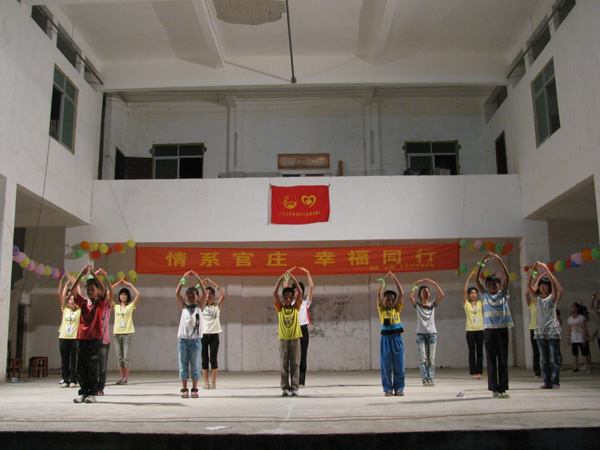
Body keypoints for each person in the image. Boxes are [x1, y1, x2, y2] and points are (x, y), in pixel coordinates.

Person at [71, 264, 111, 404]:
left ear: (97, 290)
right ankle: (83, 392)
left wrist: (94, 274)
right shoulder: (83, 303)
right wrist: (80, 275)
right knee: (81, 367)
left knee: (93, 367)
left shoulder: (100, 303)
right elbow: (72, 290)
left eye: (92, 289)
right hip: (82, 339)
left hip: (94, 339)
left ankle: (92, 393)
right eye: (88, 290)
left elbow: (104, 289)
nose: (89, 292)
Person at [475, 253, 513, 399]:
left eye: (495, 284)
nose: (493, 286)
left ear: (499, 285)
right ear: (487, 286)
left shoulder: (503, 294)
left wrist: (500, 261)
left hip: (502, 330)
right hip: (489, 331)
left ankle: (503, 388)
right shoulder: (484, 295)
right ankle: (494, 389)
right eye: (490, 284)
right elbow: (477, 279)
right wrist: (481, 263)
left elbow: (507, 277)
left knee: (503, 360)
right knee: (491, 361)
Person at [527, 262, 563, 389]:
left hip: (552, 331)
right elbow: (528, 286)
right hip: (540, 332)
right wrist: (533, 273)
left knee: (554, 358)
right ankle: (547, 381)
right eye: (541, 285)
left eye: (545, 285)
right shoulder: (537, 299)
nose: (543, 287)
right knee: (544, 359)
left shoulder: (552, 298)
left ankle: (555, 381)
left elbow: (559, 289)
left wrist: (546, 269)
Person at [175, 270, 206, 398]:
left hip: (196, 341)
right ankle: (184, 389)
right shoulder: (184, 306)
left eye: (193, 295)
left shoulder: (200, 307)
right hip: (183, 341)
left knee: (195, 365)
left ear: (197, 297)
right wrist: (183, 279)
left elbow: (205, 293)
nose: (190, 297)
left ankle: (194, 389)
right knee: (183, 366)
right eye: (188, 295)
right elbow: (177, 293)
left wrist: (198, 278)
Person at [273, 268, 303, 396]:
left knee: (295, 364)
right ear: (283, 298)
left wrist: (294, 279)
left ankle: (295, 388)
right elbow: (274, 293)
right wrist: (280, 280)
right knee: (284, 364)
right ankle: (285, 387)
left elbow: (300, 292)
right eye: (286, 298)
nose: (288, 300)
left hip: (295, 339)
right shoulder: (280, 308)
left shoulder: (296, 307)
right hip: (284, 339)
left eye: (290, 298)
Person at [409, 277, 444, 387]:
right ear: (420, 294)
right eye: (423, 291)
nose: (426, 293)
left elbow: (441, 294)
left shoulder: (433, 304)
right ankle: (425, 379)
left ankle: (431, 379)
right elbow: (410, 297)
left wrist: (434, 283)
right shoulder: (418, 306)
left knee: (431, 359)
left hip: (432, 334)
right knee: (423, 359)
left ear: (430, 294)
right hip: (420, 334)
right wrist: (415, 285)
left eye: (427, 291)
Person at [376, 271, 405, 396]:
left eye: (393, 300)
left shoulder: (397, 309)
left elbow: (402, 294)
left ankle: (399, 388)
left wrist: (395, 279)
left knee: (399, 364)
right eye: (388, 300)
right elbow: (378, 294)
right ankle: (387, 388)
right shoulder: (382, 310)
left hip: (397, 339)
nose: (391, 302)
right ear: (384, 300)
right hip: (386, 340)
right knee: (386, 364)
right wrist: (383, 282)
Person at [112, 279, 141, 386]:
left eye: (125, 295)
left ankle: (125, 378)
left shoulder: (130, 306)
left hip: (127, 333)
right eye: (121, 294)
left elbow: (138, 294)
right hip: (117, 333)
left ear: (128, 296)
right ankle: (122, 377)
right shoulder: (116, 306)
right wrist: (115, 285)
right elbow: (107, 295)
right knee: (120, 357)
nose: (123, 296)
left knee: (126, 357)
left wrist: (129, 284)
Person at [289, 267, 314, 386]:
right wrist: (287, 277)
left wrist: (308, 273)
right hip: (294, 330)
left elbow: (312, 287)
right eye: (295, 291)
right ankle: (294, 379)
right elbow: (284, 288)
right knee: (294, 356)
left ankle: (301, 381)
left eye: (299, 290)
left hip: (303, 330)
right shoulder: (290, 304)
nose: (297, 292)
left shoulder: (305, 303)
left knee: (303, 355)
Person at [200, 278, 225, 390]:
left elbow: (223, 295)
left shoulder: (216, 305)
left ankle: (213, 382)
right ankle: (206, 382)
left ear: (214, 296)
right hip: (204, 335)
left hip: (214, 335)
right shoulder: (201, 306)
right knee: (204, 359)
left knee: (213, 359)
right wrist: (200, 284)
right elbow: (192, 294)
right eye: (207, 294)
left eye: (211, 294)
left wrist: (214, 284)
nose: (209, 296)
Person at [57, 273, 80, 388]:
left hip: (74, 337)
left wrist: (76, 284)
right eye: (70, 299)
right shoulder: (65, 309)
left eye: (73, 299)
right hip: (63, 336)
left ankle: (73, 379)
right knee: (64, 359)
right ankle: (65, 379)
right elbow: (61, 297)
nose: (71, 300)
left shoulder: (79, 310)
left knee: (74, 360)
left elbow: (79, 295)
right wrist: (65, 283)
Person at [462, 271, 484, 380]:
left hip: (480, 329)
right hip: (470, 330)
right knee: (472, 351)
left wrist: (478, 279)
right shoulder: (466, 304)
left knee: (480, 351)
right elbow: (464, 291)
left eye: (475, 293)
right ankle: (473, 372)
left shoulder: (480, 303)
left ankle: (479, 371)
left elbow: (483, 291)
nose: (473, 295)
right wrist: (468, 278)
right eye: (471, 293)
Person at [96, 270, 113, 396]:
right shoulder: (93, 307)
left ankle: (100, 387)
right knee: (93, 366)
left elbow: (110, 292)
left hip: (104, 341)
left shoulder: (107, 307)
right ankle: (92, 386)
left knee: (102, 366)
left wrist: (106, 277)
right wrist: (94, 275)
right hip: (93, 339)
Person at [567, 302, 590, 372]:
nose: (571, 309)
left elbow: (584, 327)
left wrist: (584, 337)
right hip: (574, 338)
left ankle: (586, 366)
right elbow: (570, 329)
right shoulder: (570, 319)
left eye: (573, 307)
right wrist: (569, 338)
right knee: (575, 353)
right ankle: (576, 367)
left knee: (584, 353)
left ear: (577, 309)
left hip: (581, 338)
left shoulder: (581, 317)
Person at [525, 289, 541, 378]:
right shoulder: (531, 305)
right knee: (536, 351)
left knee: (545, 351)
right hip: (533, 328)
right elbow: (527, 294)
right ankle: (537, 370)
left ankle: (548, 370)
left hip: (543, 329)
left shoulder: (543, 305)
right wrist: (535, 282)